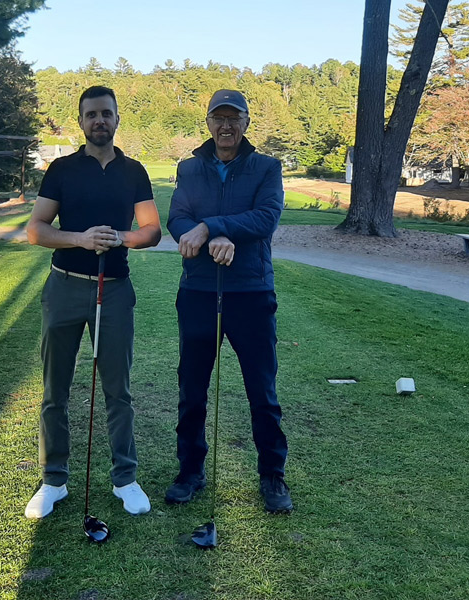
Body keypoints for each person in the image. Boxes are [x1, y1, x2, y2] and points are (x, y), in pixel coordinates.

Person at [24, 85, 162, 519]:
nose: (99, 121)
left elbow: (152, 231)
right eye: (91, 115)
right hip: (64, 286)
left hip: (115, 289)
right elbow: (36, 230)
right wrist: (81, 239)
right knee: (54, 391)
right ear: (81, 122)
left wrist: (119, 237)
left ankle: (125, 478)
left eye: (106, 113)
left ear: (118, 119)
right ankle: (53, 481)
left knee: (118, 389)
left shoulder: (135, 171)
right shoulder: (61, 169)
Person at [165, 89, 293, 513]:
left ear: (246, 123)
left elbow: (266, 217)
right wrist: (208, 232)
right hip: (199, 291)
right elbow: (177, 217)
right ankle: (189, 471)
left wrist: (213, 227)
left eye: (233, 118)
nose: (226, 126)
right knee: (192, 389)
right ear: (207, 123)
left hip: (251, 293)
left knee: (262, 391)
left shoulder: (266, 167)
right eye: (218, 118)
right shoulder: (189, 168)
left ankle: (272, 476)